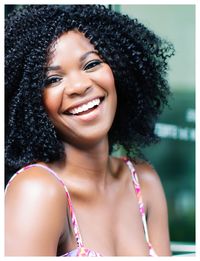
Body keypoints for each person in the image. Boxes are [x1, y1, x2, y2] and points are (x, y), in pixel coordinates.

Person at [5, 5, 174, 256]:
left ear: (119, 70)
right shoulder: (37, 192)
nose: (79, 86)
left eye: (91, 64)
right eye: (53, 79)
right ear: (30, 101)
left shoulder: (144, 181)